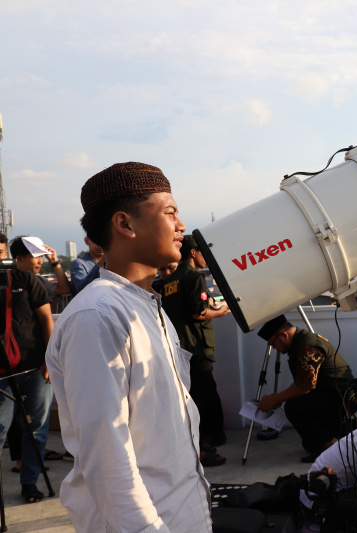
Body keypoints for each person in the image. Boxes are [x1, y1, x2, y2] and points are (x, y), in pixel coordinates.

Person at [46, 162, 213, 532]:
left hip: (182, 512)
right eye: (170, 213)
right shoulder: (97, 317)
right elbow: (108, 461)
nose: (181, 225)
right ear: (125, 224)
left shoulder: (147, 306)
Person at [157, 233, 230, 463]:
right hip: (196, 349)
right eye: (203, 253)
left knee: (191, 397)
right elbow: (198, 313)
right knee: (204, 397)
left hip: (177, 348)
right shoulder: (194, 277)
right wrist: (219, 311)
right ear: (193, 253)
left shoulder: (170, 280)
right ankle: (204, 446)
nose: (206, 258)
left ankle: (200, 442)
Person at [257, 315, 355, 463]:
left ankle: (332, 447)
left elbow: (304, 387)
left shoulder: (308, 346)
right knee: (310, 443)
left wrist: (275, 398)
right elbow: (303, 383)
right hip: (331, 395)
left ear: (283, 335)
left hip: (342, 398)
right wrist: (278, 398)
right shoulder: (299, 343)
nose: (274, 348)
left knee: (293, 407)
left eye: (273, 343)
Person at [0, 244, 55, 503]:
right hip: (2, 373)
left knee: (37, 428)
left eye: (1, 252)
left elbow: (46, 319)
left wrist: (49, 361)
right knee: (1, 428)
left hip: (35, 367)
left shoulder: (25, 279)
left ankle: (30, 483)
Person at [10, 236, 71, 313]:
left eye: (41, 256)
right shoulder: (7, 281)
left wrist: (54, 262)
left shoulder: (39, 281)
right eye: (36, 257)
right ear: (19, 258)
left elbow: (64, 290)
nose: (41, 262)